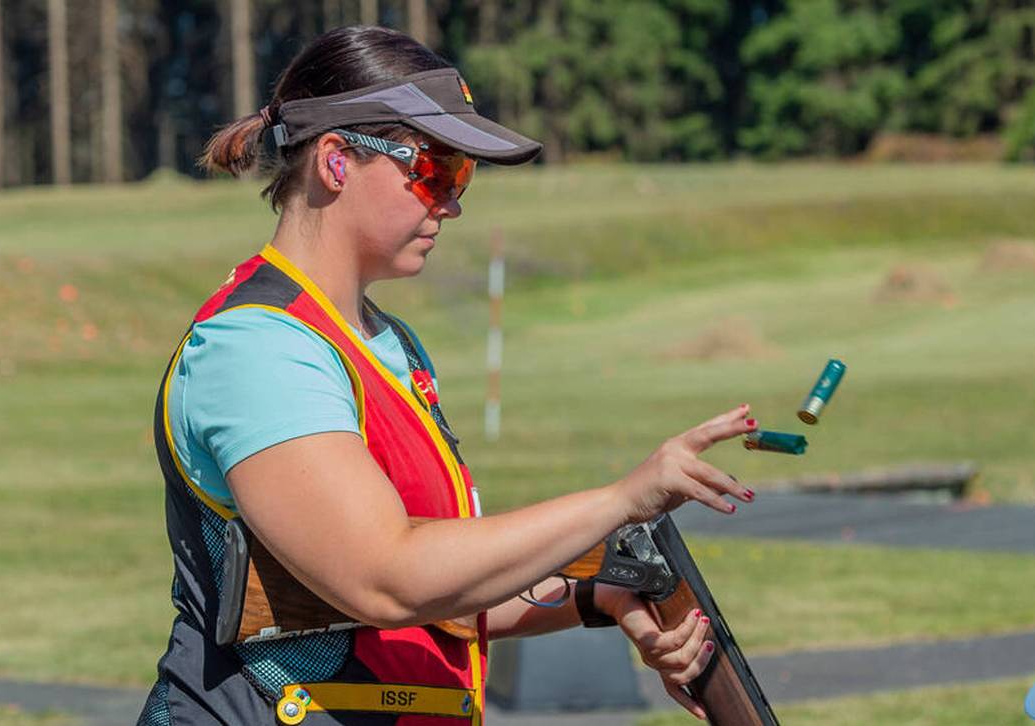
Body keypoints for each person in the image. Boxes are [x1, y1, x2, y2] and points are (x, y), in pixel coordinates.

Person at [137, 25, 756, 726]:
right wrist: (623, 499)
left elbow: (447, 588)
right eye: (436, 171)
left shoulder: (388, 344)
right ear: (337, 161)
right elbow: (388, 577)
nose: (453, 203)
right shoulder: (260, 347)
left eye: (462, 177)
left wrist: (603, 597)